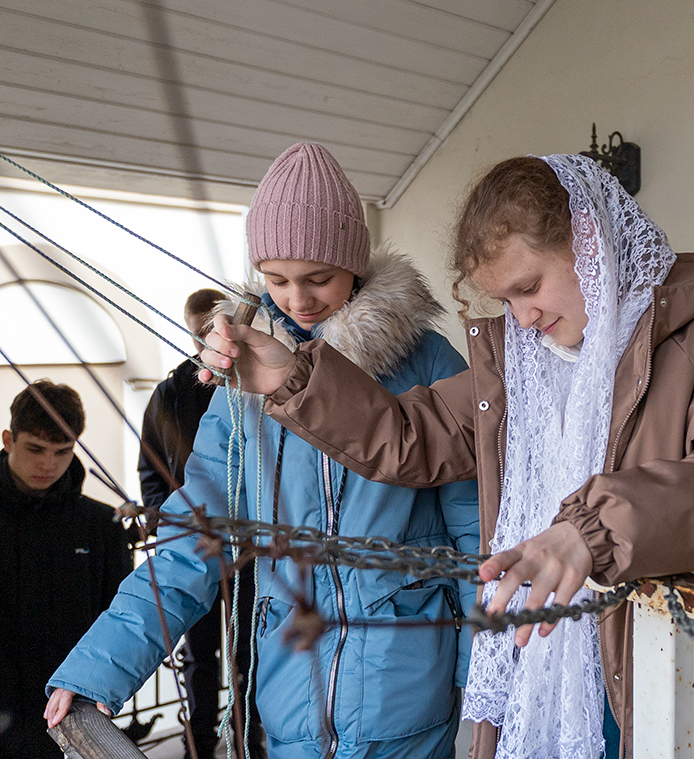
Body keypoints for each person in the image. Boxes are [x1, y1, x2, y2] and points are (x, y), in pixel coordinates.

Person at [197, 154, 694, 758]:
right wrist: (293, 377)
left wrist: (591, 532)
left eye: (529, 287)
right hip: (547, 668)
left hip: (687, 677)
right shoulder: (517, 368)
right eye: (506, 301)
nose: (523, 318)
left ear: (589, 244)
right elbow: (409, 433)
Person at [46, 143, 481, 759]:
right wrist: (97, 670)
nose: (297, 300)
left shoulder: (428, 361)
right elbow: (193, 540)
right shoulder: (241, 381)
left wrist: (483, 679)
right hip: (289, 696)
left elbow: (476, 531)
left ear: (354, 262)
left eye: (318, 278)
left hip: (407, 691)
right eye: (276, 280)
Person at [138, 287, 264, 759]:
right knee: (199, 653)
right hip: (195, 543)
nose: (201, 340)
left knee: (250, 647)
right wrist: (166, 521)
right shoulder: (171, 392)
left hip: (252, 546)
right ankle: (201, 741)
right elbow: (150, 467)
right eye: (195, 333)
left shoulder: (254, 381)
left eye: (208, 330)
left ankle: (248, 736)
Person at [0, 381, 132, 759]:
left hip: (65, 709)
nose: (48, 464)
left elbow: (117, 616)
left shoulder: (101, 524)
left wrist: (100, 687)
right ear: (9, 440)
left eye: (62, 451)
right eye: (35, 449)